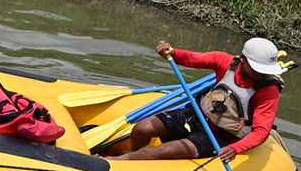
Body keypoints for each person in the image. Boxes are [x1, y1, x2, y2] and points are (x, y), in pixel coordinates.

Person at [110, 38, 290, 162]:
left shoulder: (268, 91)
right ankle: (133, 158)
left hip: (222, 137)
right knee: (142, 128)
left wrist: (236, 149)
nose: (261, 73)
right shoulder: (225, 62)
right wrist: (172, 52)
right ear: (243, 60)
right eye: (257, 68)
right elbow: (194, 59)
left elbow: (261, 131)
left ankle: (117, 163)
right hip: (196, 115)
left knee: (156, 152)